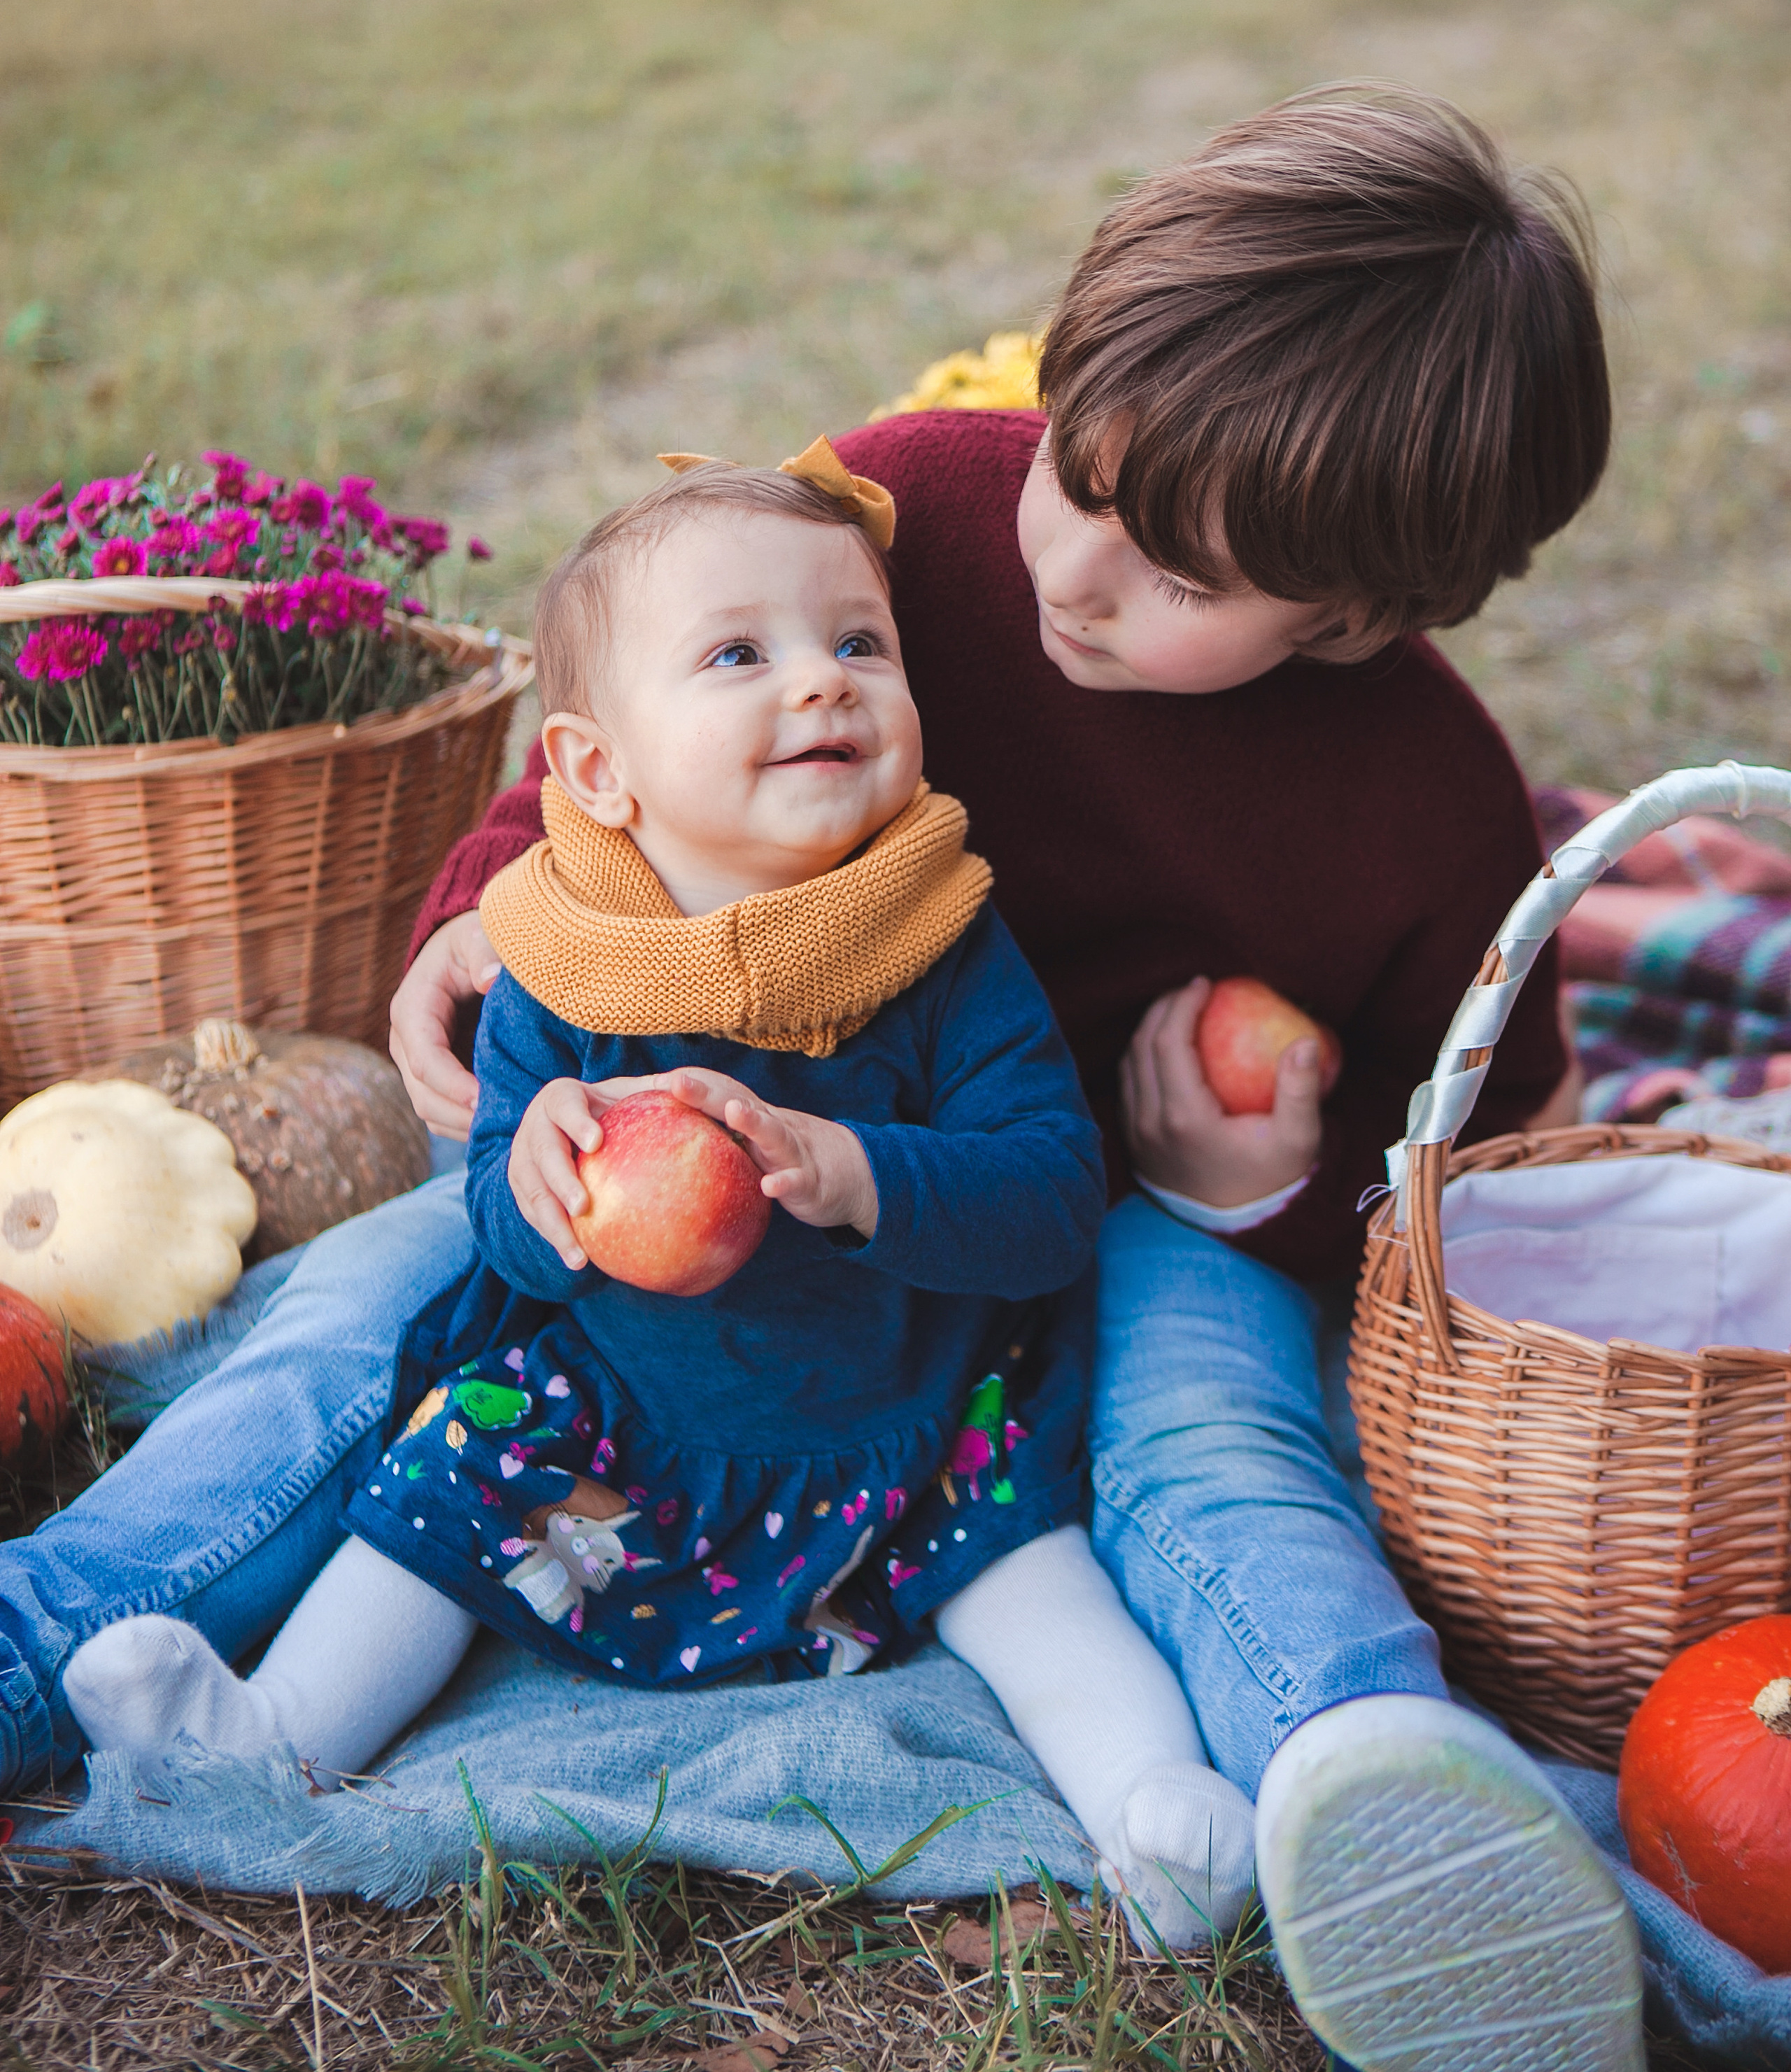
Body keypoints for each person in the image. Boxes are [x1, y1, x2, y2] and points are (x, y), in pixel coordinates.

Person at [0, 87, 1638, 2071]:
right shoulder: (902, 512)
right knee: (361, 1317)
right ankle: (43, 1633)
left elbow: (1471, 1153)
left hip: (1106, 1212)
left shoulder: (1423, 806)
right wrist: (470, 928)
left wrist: (1259, 1179)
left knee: (1217, 1443)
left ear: (1359, 612)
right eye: (1085, 472)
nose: (1084, 569)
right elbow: (594, 756)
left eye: (1183, 577)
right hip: (690, 1155)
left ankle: (1374, 1793)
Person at [61, 450, 1257, 1949]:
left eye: (860, 645)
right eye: (739, 655)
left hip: (902, 1416)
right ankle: (268, 1743)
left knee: (1035, 1577)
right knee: (424, 1501)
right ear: (596, 771)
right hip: (618, 1423)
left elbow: (1049, 1193)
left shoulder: (938, 938)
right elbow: (505, 1243)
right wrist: (535, 1176)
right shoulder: (561, 966)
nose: (822, 685)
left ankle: (1150, 1805)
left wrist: (855, 1171)